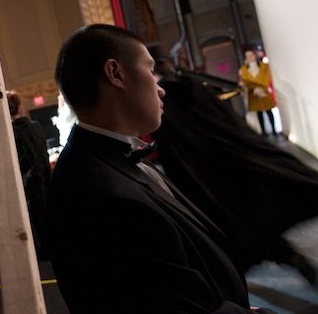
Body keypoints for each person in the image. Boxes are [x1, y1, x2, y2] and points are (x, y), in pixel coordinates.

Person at [48, 24, 275, 313]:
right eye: (150, 69)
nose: (160, 88)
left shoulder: (108, 156)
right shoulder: (106, 196)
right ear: (115, 74)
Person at [151, 67, 318, 288]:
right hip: (220, 173)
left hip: (215, 177)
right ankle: (283, 258)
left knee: (238, 228)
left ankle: (276, 261)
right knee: (242, 226)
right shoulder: (184, 91)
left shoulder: (178, 94)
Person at [6, 90, 51, 260]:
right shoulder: (36, 127)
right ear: (20, 107)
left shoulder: (11, 134)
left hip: (28, 189)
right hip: (45, 183)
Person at [239, 50, 277, 136]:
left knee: (269, 111)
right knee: (259, 113)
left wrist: (261, 87)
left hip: (264, 91)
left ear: (254, 56)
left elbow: (267, 78)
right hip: (253, 93)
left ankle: (274, 130)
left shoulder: (264, 66)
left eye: (251, 55)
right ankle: (263, 131)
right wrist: (254, 88)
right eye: (247, 56)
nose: (250, 57)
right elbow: (245, 81)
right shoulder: (243, 70)